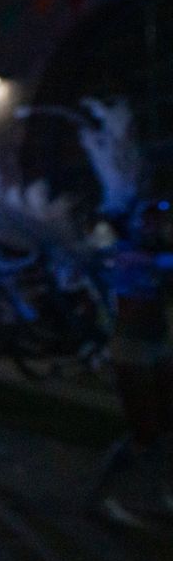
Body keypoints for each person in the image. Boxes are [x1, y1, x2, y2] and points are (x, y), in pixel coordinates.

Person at [89, 200, 173, 527]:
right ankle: (101, 497)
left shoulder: (155, 252)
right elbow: (152, 265)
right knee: (144, 432)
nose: (156, 226)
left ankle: (162, 493)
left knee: (167, 426)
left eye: (160, 220)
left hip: (158, 345)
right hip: (131, 349)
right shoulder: (125, 255)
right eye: (149, 220)